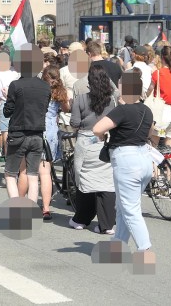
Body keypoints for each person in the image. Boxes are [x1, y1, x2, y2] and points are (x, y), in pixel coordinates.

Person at [92, 70, 154, 255]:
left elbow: (97, 128)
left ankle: (144, 248)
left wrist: (103, 136)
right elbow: (150, 133)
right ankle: (118, 246)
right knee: (123, 206)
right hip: (144, 157)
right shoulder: (147, 110)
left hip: (127, 160)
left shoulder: (122, 110)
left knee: (130, 208)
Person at [70, 63, 118, 233]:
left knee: (83, 179)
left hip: (85, 141)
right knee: (106, 182)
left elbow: (74, 122)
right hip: (106, 140)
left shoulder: (80, 99)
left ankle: (81, 219)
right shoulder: (112, 100)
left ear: (89, 81)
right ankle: (107, 224)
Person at [3, 46, 50, 205]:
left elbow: (7, 112)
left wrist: (7, 98)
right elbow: (45, 109)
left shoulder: (15, 85)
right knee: (33, 175)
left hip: (18, 132)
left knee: (10, 174)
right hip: (37, 134)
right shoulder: (45, 86)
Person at [41, 65, 70, 221]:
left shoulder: (40, 90)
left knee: (30, 171)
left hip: (37, 128)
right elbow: (66, 109)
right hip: (51, 131)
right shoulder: (60, 92)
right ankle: (46, 208)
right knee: (46, 171)